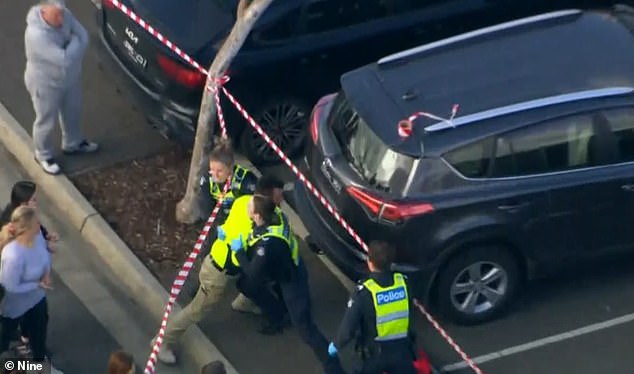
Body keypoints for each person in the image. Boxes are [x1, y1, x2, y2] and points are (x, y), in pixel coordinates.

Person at [231, 195, 344, 374]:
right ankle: (280, 316)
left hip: (291, 282)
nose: (246, 206)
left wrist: (238, 252)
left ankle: (334, 368)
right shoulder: (277, 216)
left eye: (250, 206)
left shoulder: (267, 244)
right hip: (290, 266)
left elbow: (253, 272)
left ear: (258, 215)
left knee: (306, 329)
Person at [25, 0, 98, 175]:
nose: (62, 18)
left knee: (72, 111)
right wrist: (74, 42)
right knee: (46, 120)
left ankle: (73, 143)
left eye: (62, 13)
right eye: (56, 14)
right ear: (43, 12)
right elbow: (63, 60)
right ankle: (43, 154)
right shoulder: (36, 35)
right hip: (45, 84)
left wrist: (72, 46)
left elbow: (84, 35)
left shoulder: (65, 15)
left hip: (70, 79)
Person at [328, 241, 417, 374]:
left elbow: (348, 329)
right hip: (402, 351)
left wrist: (336, 345)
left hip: (375, 355)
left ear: (370, 262)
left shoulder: (364, 292)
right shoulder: (403, 282)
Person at [0, 206, 62, 373]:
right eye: (36, 222)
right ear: (26, 228)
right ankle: (14, 367)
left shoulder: (38, 238)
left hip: (36, 299)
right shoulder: (13, 254)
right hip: (14, 307)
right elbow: (10, 286)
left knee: (39, 335)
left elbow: (44, 256)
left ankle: (40, 366)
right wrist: (37, 284)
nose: (39, 224)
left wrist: (47, 270)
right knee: (3, 343)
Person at [199, 139, 257, 218]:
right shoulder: (207, 179)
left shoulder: (246, 180)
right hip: (222, 220)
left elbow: (255, 210)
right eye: (212, 169)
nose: (215, 175)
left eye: (219, 171)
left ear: (230, 168)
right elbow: (207, 209)